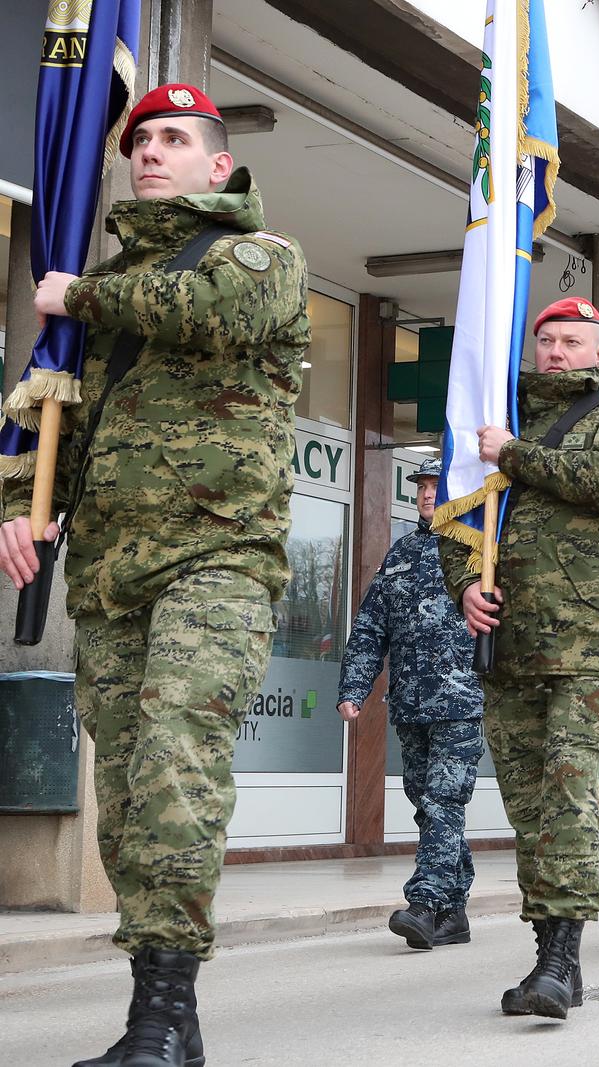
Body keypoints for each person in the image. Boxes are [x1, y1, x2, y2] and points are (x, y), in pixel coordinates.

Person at [0, 84, 308, 1067]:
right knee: (131, 808)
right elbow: (53, 414)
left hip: (216, 566)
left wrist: (76, 293)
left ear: (221, 165)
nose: (151, 152)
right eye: (140, 141)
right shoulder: (100, 293)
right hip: (109, 577)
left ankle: (162, 1020)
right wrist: (21, 508)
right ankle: (163, 1015)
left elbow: (210, 313)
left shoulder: (259, 258)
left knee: (178, 769)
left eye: (175, 139)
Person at [441, 296, 599, 1021]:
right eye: (548, 340)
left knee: (570, 804)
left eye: (573, 341)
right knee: (531, 809)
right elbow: (457, 519)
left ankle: (559, 960)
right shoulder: (500, 418)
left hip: (584, 651)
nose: (558, 352)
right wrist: (465, 586)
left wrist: (514, 454)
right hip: (510, 651)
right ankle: (548, 948)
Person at [338, 459, 483, 951]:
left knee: (444, 802)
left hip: (463, 699)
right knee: (428, 806)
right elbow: (370, 626)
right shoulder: (400, 554)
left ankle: (423, 903)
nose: (426, 495)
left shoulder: (481, 550)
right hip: (411, 703)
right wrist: (353, 689)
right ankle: (455, 913)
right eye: (421, 487)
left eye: (435, 487)